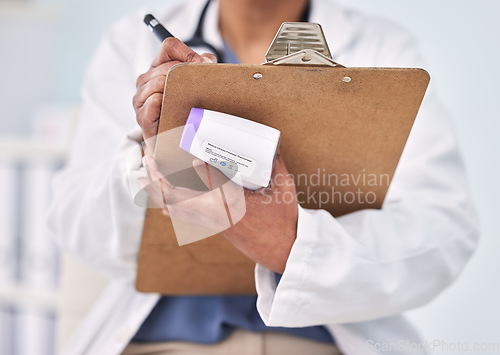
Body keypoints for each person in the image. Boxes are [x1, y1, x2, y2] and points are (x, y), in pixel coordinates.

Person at [47, 0, 479, 354]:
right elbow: (77, 223)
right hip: (166, 339)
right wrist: (159, 153)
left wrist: (291, 245)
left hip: (320, 339)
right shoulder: (128, 45)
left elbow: (445, 229)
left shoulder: (385, 48)